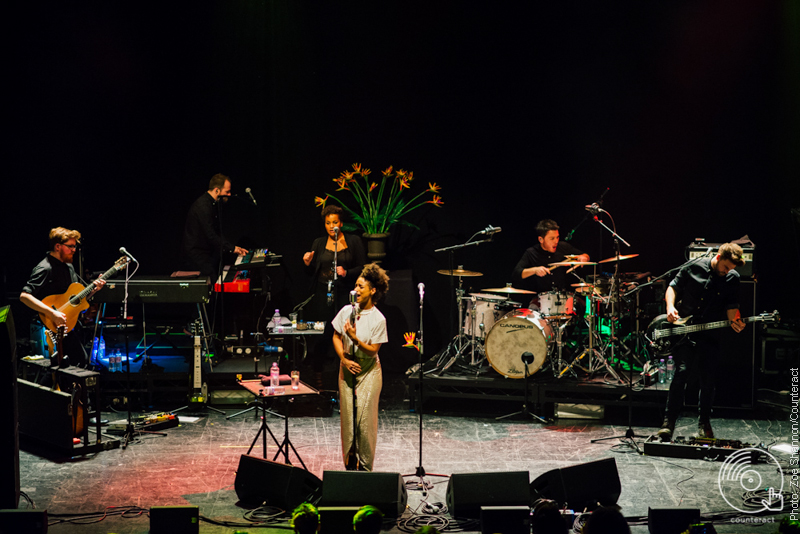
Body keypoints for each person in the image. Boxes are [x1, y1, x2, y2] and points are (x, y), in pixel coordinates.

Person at [657, 243, 747, 441]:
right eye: (726, 267)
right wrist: (670, 307)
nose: (727, 272)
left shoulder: (732, 278)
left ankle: (704, 422)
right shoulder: (694, 266)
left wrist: (736, 321)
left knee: (708, 379)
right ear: (718, 256)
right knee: (681, 374)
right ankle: (668, 422)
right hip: (684, 330)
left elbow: (732, 306)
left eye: (731, 269)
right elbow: (673, 287)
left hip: (710, 332)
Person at [20, 227, 105, 367]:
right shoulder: (45, 268)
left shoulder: (69, 267)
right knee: (71, 363)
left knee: (75, 363)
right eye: (70, 246)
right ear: (58, 246)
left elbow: (76, 300)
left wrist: (94, 289)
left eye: (75, 246)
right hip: (50, 326)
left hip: (68, 324)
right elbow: (24, 296)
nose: (74, 250)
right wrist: (53, 313)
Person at [332, 263, 389, 471]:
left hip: (369, 372)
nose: (356, 290)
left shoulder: (378, 319)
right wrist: (343, 359)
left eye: (361, 287)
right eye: (356, 286)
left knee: (364, 423)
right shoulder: (347, 311)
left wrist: (355, 339)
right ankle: (349, 466)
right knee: (348, 422)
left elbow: (373, 350)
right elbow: (336, 336)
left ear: (373, 290)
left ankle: (366, 470)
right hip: (347, 369)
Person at [303, 205, 366, 386]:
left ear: (341, 223)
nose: (331, 226)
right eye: (328, 223)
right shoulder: (318, 243)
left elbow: (363, 266)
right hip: (323, 293)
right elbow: (310, 274)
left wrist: (346, 272)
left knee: (348, 333)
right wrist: (307, 264)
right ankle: (318, 376)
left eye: (335, 222)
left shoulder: (353, 241)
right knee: (322, 335)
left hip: (345, 293)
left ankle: (350, 374)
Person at [181, 173, 248, 280]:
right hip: (196, 255)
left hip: (204, 254)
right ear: (217, 190)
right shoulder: (203, 206)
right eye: (227, 192)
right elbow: (211, 235)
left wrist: (232, 247)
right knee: (211, 280)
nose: (229, 195)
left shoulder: (211, 204)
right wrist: (232, 248)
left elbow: (216, 234)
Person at [511, 219, 590, 301]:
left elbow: (585, 255)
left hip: (563, 297)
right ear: (541, 239)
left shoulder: (563, 247)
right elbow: (516, 274)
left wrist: (584, 257)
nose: (556, 241)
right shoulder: (531, 253)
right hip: (540, 300)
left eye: (557, 237)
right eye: (552, 238)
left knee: (581, 305)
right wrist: (534, 270)